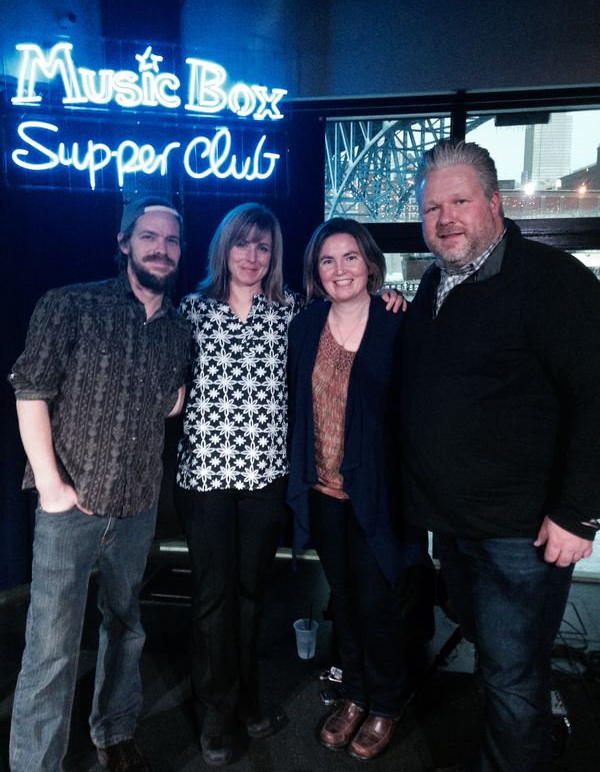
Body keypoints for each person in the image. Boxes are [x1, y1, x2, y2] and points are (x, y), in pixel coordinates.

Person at [401, 139, 600, 772]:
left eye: (459, 202)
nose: (445, 219)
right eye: (432, 208)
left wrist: (579, 513)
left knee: (512, 677)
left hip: (521, 534)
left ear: (494, 203)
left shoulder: (552, 281)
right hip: (455, 526)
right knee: (497, 663)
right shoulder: (434, 283)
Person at [8, 196, 191, 772]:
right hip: (70, 509)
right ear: (124, 242)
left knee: (126, 626)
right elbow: (29, 390)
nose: (161, 249)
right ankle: (37, 764)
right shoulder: (71, 304)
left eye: (171, 240)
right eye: (149, 237)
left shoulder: (178, 329)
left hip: (137, 508)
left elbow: (171, 401)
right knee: (52, 648)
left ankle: (114, 730)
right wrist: (52, 487)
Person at [286, 218, 428, 761]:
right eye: (328, 260)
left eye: (350, 257)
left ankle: (387, 703)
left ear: (370, 264)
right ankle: (355, 695)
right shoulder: (307, 325)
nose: (340, 269)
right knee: (342, 599)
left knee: (377, 602)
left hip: (379, 494)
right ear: (316, 270)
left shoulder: (397, 321)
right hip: (323, 490)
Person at [175, 203, 304, 767]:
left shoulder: (291, 311)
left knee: (251, 595)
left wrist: (389, 298)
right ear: (223, 248)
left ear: (273, 256)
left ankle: (247, 696)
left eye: (263, 247)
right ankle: (215, 712)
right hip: (204, 476)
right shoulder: (192, 310)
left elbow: (350, 319)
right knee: (213, 597)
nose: (252, 256)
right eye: (242, 244)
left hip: (264, 478)